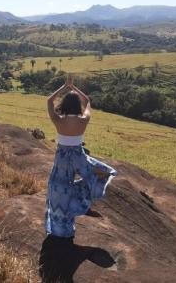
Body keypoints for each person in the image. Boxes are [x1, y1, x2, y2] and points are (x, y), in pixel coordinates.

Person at [45, 73, 117, 238]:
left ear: (64, 104)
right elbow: (88, 101)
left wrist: (64, 87)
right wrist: (74, 88)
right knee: (99, 174)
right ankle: (83, 199)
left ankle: (61, 228)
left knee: (59, 192)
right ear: (77, 105)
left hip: (62, 158)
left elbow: (49, 101)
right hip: (78, 156)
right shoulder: (84, 119)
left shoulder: (58, 120)